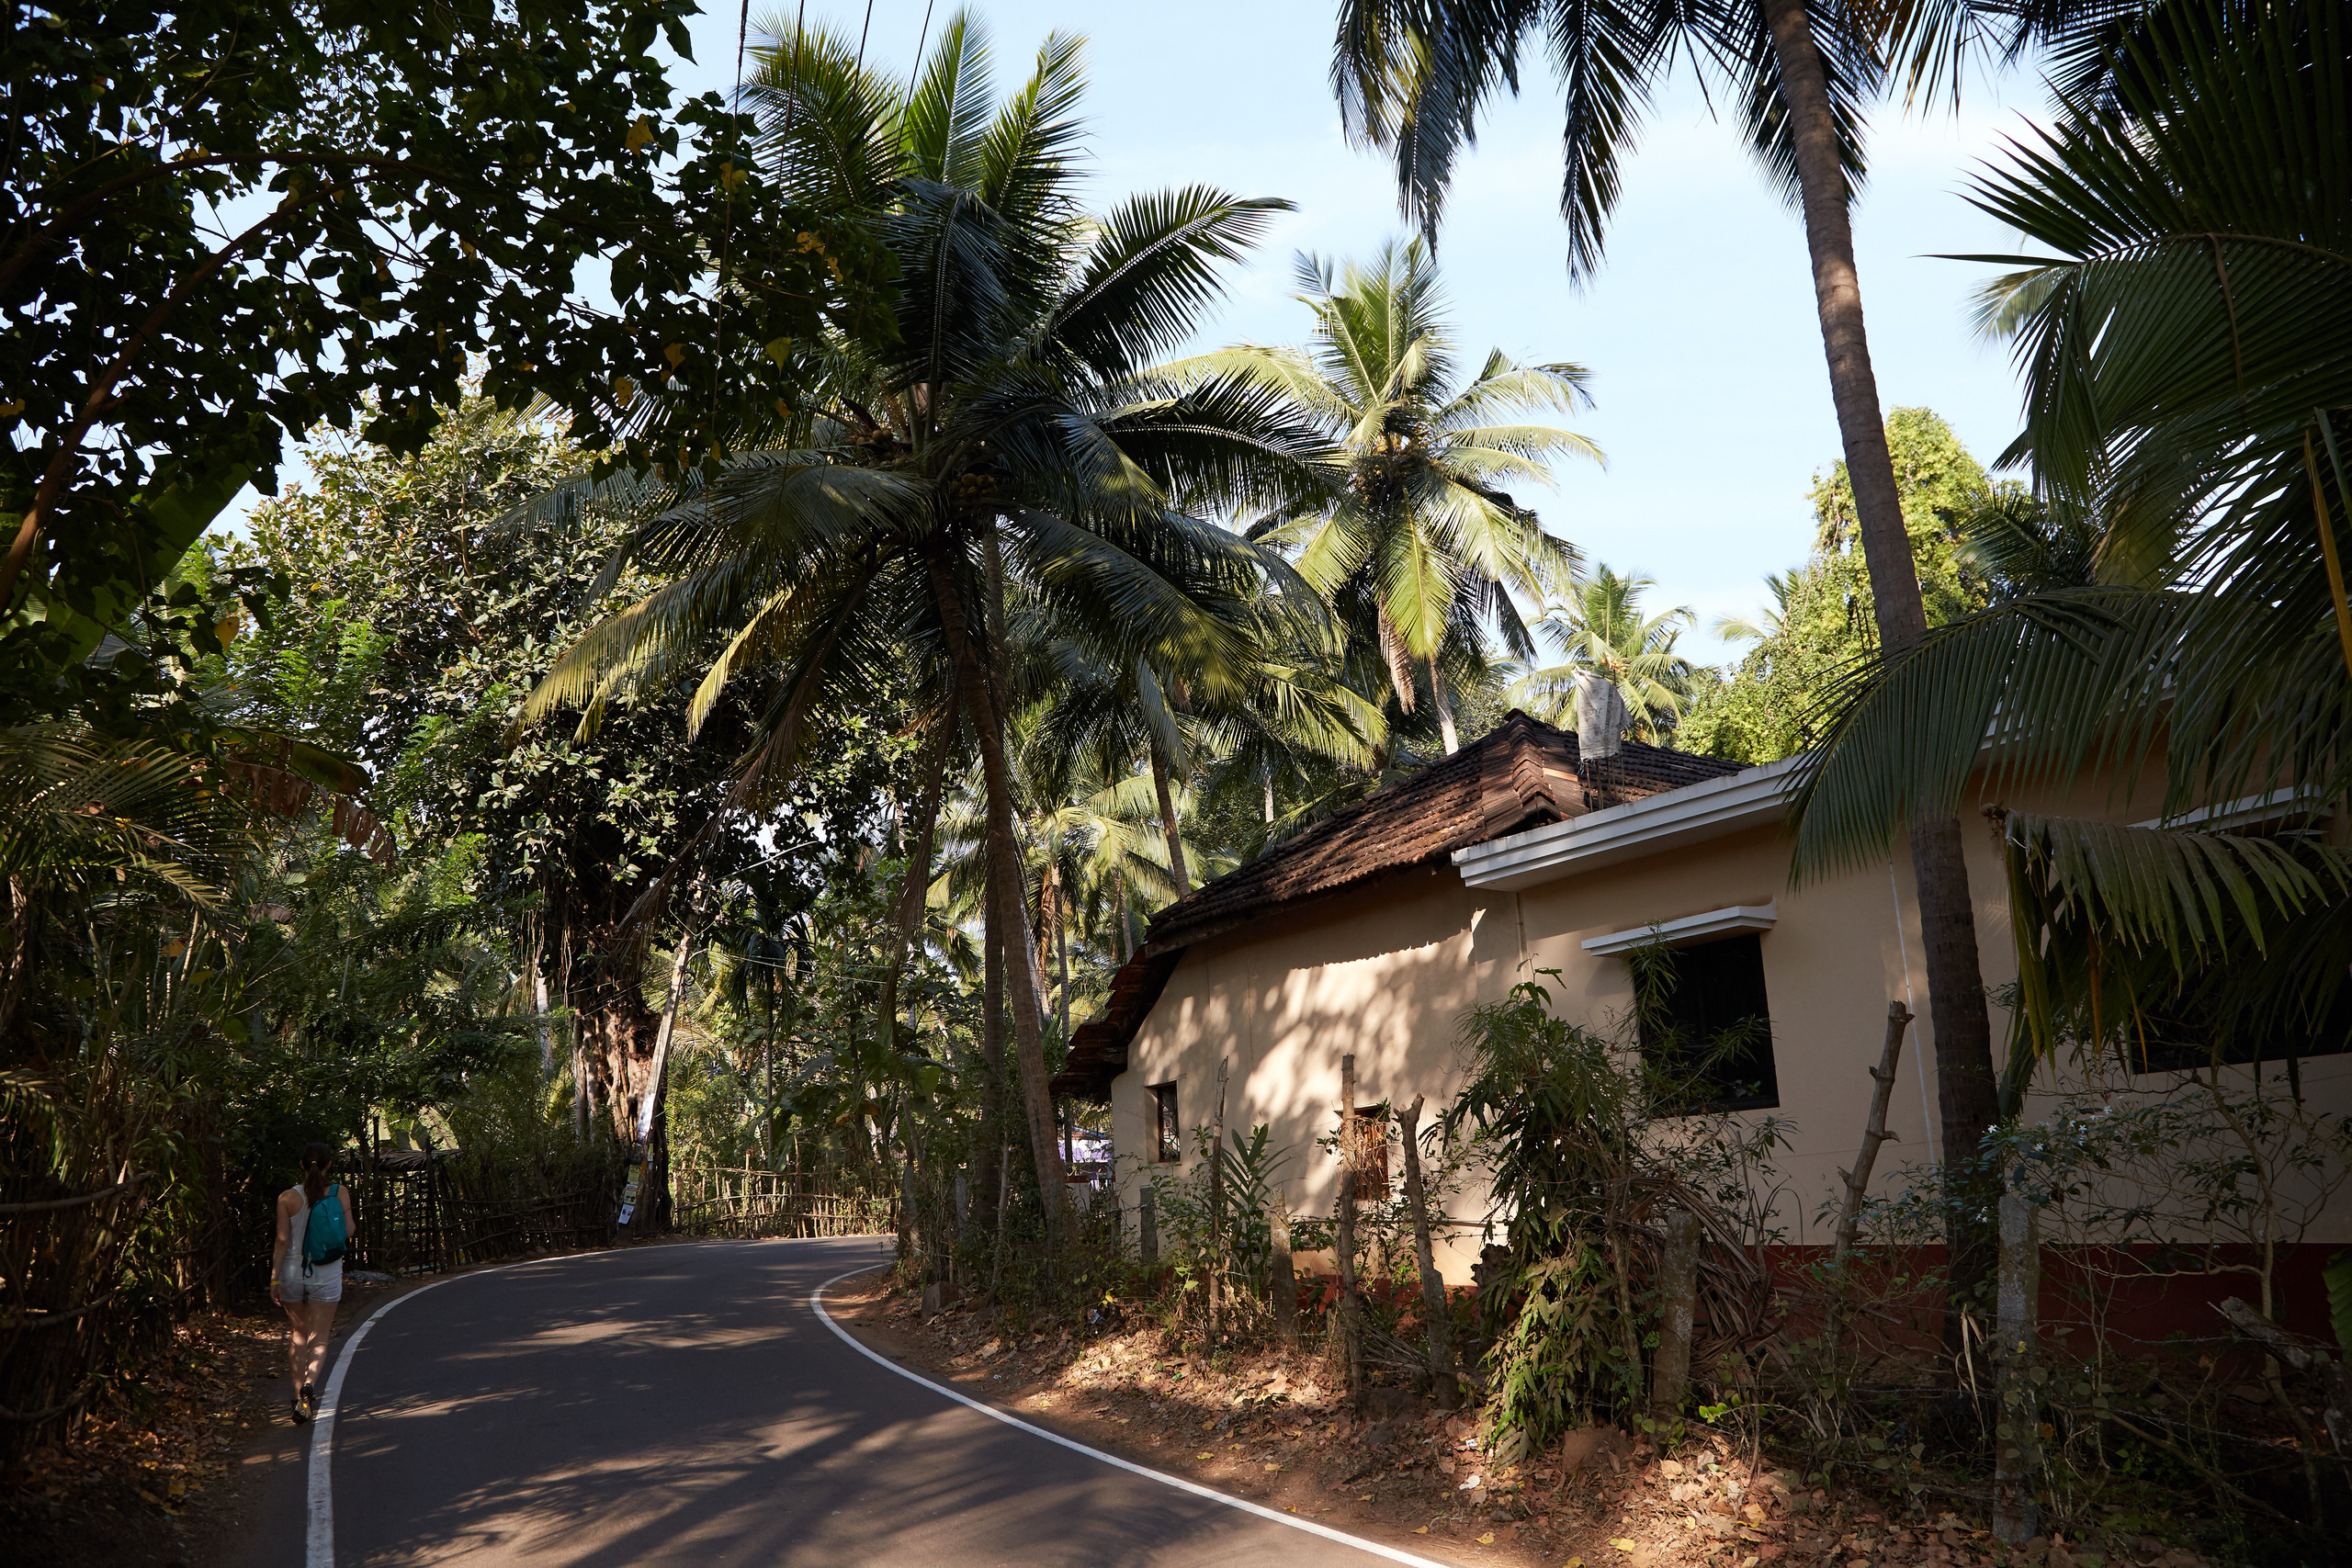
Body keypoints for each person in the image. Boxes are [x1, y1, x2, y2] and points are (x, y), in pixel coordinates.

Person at [270, 1143, 355, 1424]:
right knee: (319, 1335)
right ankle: (310, 1386)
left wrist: (274, 1278)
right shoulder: (339, 1192)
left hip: (293, 1272)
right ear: (329, 1165)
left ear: (302, 1165)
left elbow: (282, 1240)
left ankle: (297, 1399)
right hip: (326, 1272)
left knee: (298, 1332)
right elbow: (350, 1231)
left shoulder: (286, 1198)